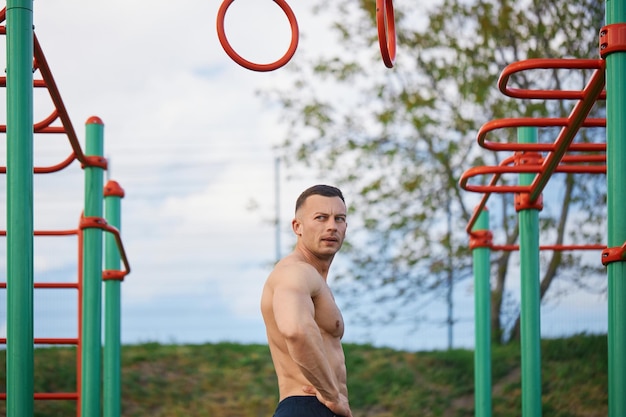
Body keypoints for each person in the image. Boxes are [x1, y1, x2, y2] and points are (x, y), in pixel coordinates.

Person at [261, 184, 353, 417]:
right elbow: (296, 331)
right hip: (307, 406)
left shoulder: (316, 281)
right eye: (321, 218)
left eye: (339, 219)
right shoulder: (294, 272)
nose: (332, 226)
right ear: (297, 226)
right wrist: (332, 395)